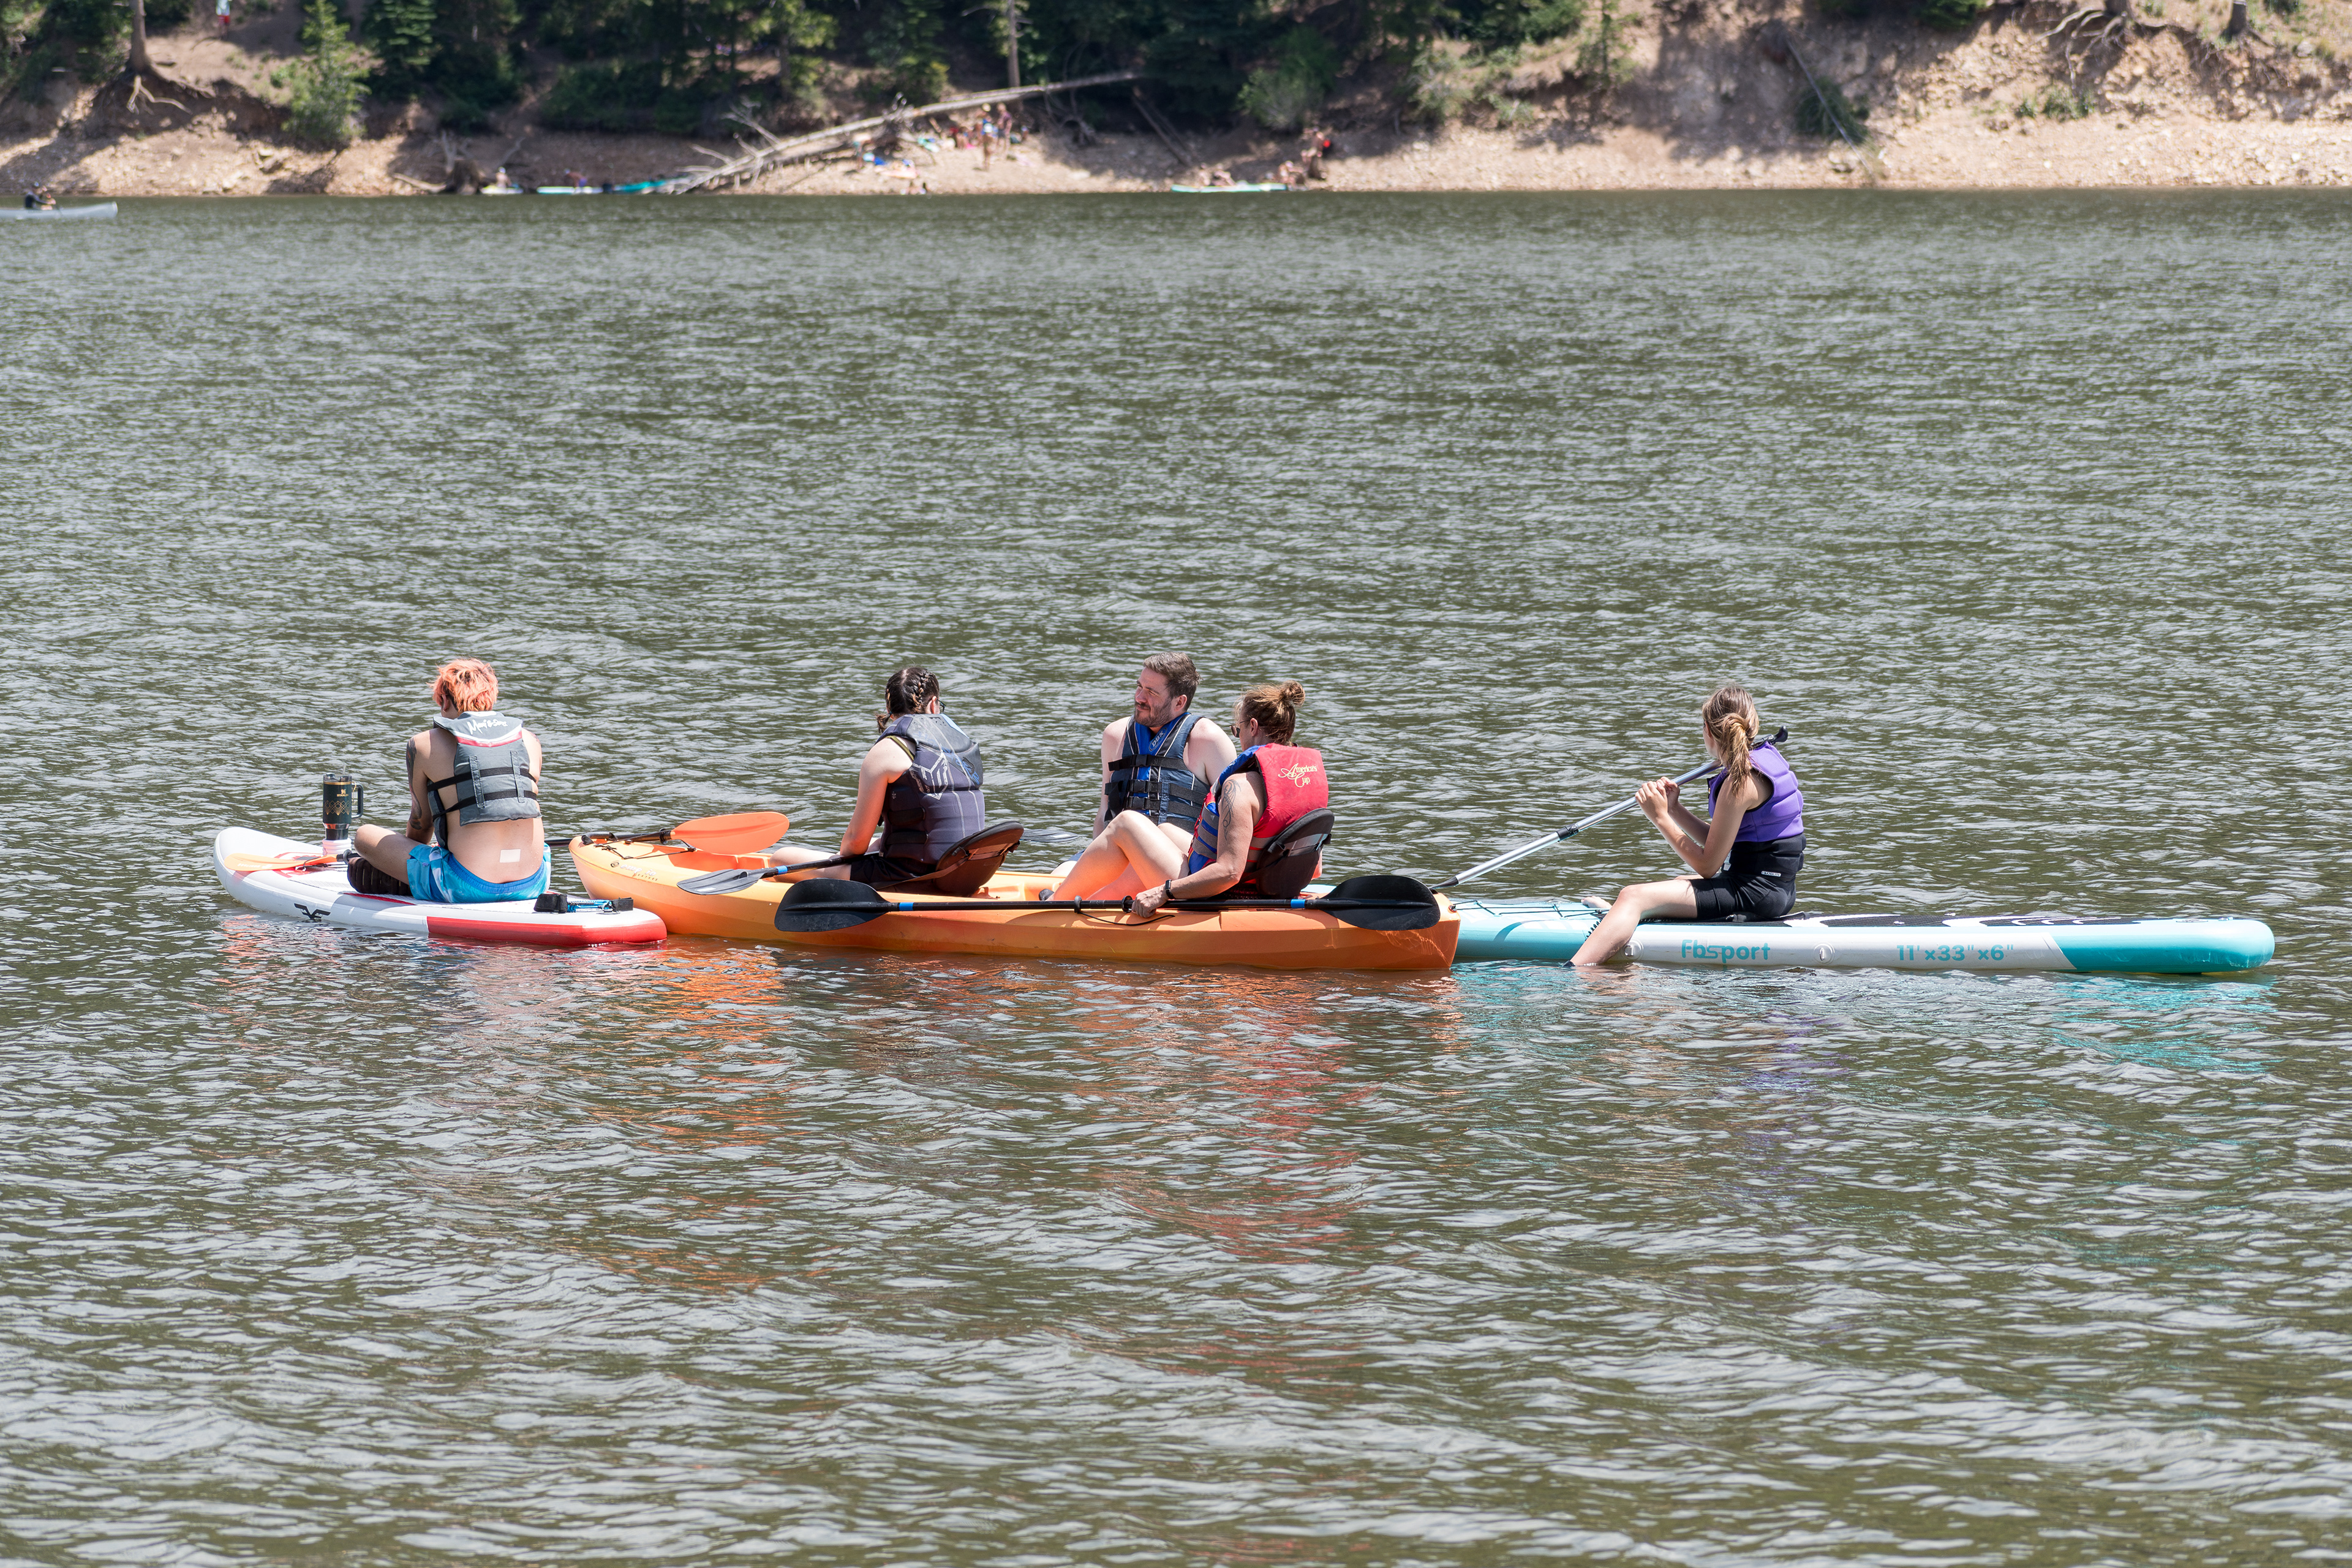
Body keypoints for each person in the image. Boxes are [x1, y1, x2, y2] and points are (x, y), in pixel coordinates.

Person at [1570, 685, 1805, 965]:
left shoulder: (1739, 782)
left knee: (1633, 896)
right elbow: (1721, 843)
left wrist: (1659, 817)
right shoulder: (1766, 760)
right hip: (1774, 889)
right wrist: (1674, 809)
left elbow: (1708, 866)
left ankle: (1577, 973)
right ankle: (1619, 921)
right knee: (1678, 884)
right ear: (1752, 724)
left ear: (1708, 730)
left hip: (1755, 894)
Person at [349, 659, 552, 903]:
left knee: (364, 835)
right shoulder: (530, 739)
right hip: (535, 882)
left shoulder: (424, 744)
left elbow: (421, 825)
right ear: (491, 696)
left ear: (444, 700)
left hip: (464, 885)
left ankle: (415, 883)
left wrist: (404, 858)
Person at [763, 666, 987, 885]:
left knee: (781, 858)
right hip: (967, 872)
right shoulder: (962, 748)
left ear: (890, 708)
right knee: (875, 843)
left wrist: (844, 857)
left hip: (911, 877)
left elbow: (853, 845)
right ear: (934, 704)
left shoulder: (886, 751)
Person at [1044, 654, 1237, 902]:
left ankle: (1062, 905)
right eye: (1139, 687)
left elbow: (1229, 821)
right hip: (1118, 853)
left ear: (1180, 702)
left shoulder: (1208, 740)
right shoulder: (1115, 735)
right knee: (1058, 876)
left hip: (1174, 858)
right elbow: (1105, 811)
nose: (1139, 698)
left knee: (1080, 888)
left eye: (1151, 692)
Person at [1129, 679, 1327, 915]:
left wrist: (1163, 892)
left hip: (1223, 894)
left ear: (1252, 727)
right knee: (1164, 830)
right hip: (1274, 888)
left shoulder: (1240, 787)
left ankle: (1073, 907)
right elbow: (1315, 870)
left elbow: (1230, 873)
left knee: (1126, 823)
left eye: (1237, 730)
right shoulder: (1306, 780)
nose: (1238, 737)